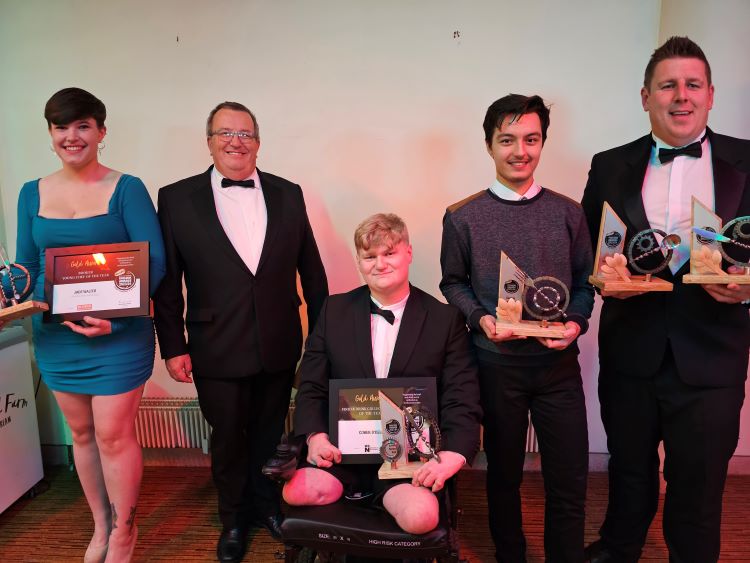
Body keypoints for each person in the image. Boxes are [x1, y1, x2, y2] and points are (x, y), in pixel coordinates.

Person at [581, 36, 750, 563]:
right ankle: (618, 548)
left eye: (692, 84)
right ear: (645, 96)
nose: (681, 96)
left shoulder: (747, 160)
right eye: (668, 85)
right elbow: (589, 247)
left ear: (710, 94)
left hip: (713, 351)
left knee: (698, 483)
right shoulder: (608, 165)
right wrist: (601, 276)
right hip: (632, 347)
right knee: (628, 468)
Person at [152, 101, 328, 562]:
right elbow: (168, 282)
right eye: (225, 133)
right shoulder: (175, 197)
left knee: (271, 435)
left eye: (246, 133)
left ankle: (267, 507)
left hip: (278, 340)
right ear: (209, 141)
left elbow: (312, 269)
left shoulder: (289, 193)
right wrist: (173, 346)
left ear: (258, 141)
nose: (236, 141)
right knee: (228, 437)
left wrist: (321, 342)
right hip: (214, 344)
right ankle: (233, 519)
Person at [5, 87, 166, 563]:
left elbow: (152, 262)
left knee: (113, 436)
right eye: (61, 127)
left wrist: (111, 323)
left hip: (119, 336)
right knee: (80, 435)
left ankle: (124, 533)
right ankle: (100, 524)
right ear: (50, 134)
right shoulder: (30, 192)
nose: (71, 136)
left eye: (82, 126)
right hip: (58, 336)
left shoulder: (127, 188)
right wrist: (10, 287)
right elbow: (27, 264)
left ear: (100, 131)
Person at [440, 94, 594, 562]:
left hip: (557, 366)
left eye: (531, 139)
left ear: (542, 143)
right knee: (503, 475)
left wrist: (575, 324)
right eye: (507, 140)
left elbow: (587, 285)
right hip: (495, 366)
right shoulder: (462, 216)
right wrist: (479, 318)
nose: (520, 151)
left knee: (568, 477)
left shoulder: (569, 213)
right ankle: (510, 555)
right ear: (489, 145)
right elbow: (453, 282)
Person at [284, 213, 482, 534]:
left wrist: (453, 455)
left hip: (408, 462)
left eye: (389, 253)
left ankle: (380, 497)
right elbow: (311, 386)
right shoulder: (333, 311)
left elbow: (462, 397)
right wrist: (315, 437)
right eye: (369, 256)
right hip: (343, 455)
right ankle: (359, 494)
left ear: (408, 253)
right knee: (295, 491)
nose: (380, 264)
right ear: (359, 262)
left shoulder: (445, 320)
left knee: (421, 518)